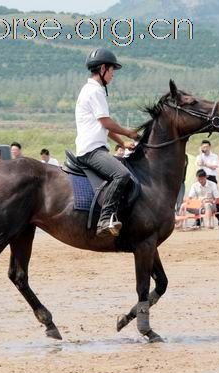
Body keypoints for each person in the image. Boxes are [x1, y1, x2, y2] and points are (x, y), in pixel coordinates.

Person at [74, 47, 139, 237]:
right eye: (112, 70)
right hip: (91, 151)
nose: (113, 75)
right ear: (103, 68)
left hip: (95, 147)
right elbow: (106, 121)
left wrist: (122, 143)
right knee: (122, 174)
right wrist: (129, 133)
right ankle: (104, 219)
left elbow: (104, 127)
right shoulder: (95, 91)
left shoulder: (92, 90)